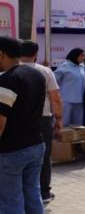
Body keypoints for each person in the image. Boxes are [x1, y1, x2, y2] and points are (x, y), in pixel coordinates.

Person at [0, 36, 47, 214]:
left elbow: (0, 121)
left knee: (11, 204)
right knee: (33, 198)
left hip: (11, 151)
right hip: (35, 144)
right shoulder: (36, 75)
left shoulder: (6, 80)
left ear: (1, 54)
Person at [20, 41, 63, 204]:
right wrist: (58, 119)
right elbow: (55, 98)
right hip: (42, 119)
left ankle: (22, 192)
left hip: (16, 121)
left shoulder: (11, 71)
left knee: (19, 155)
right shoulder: (45, 71)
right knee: (43, 156)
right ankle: (44, 192)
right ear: (36, 54)